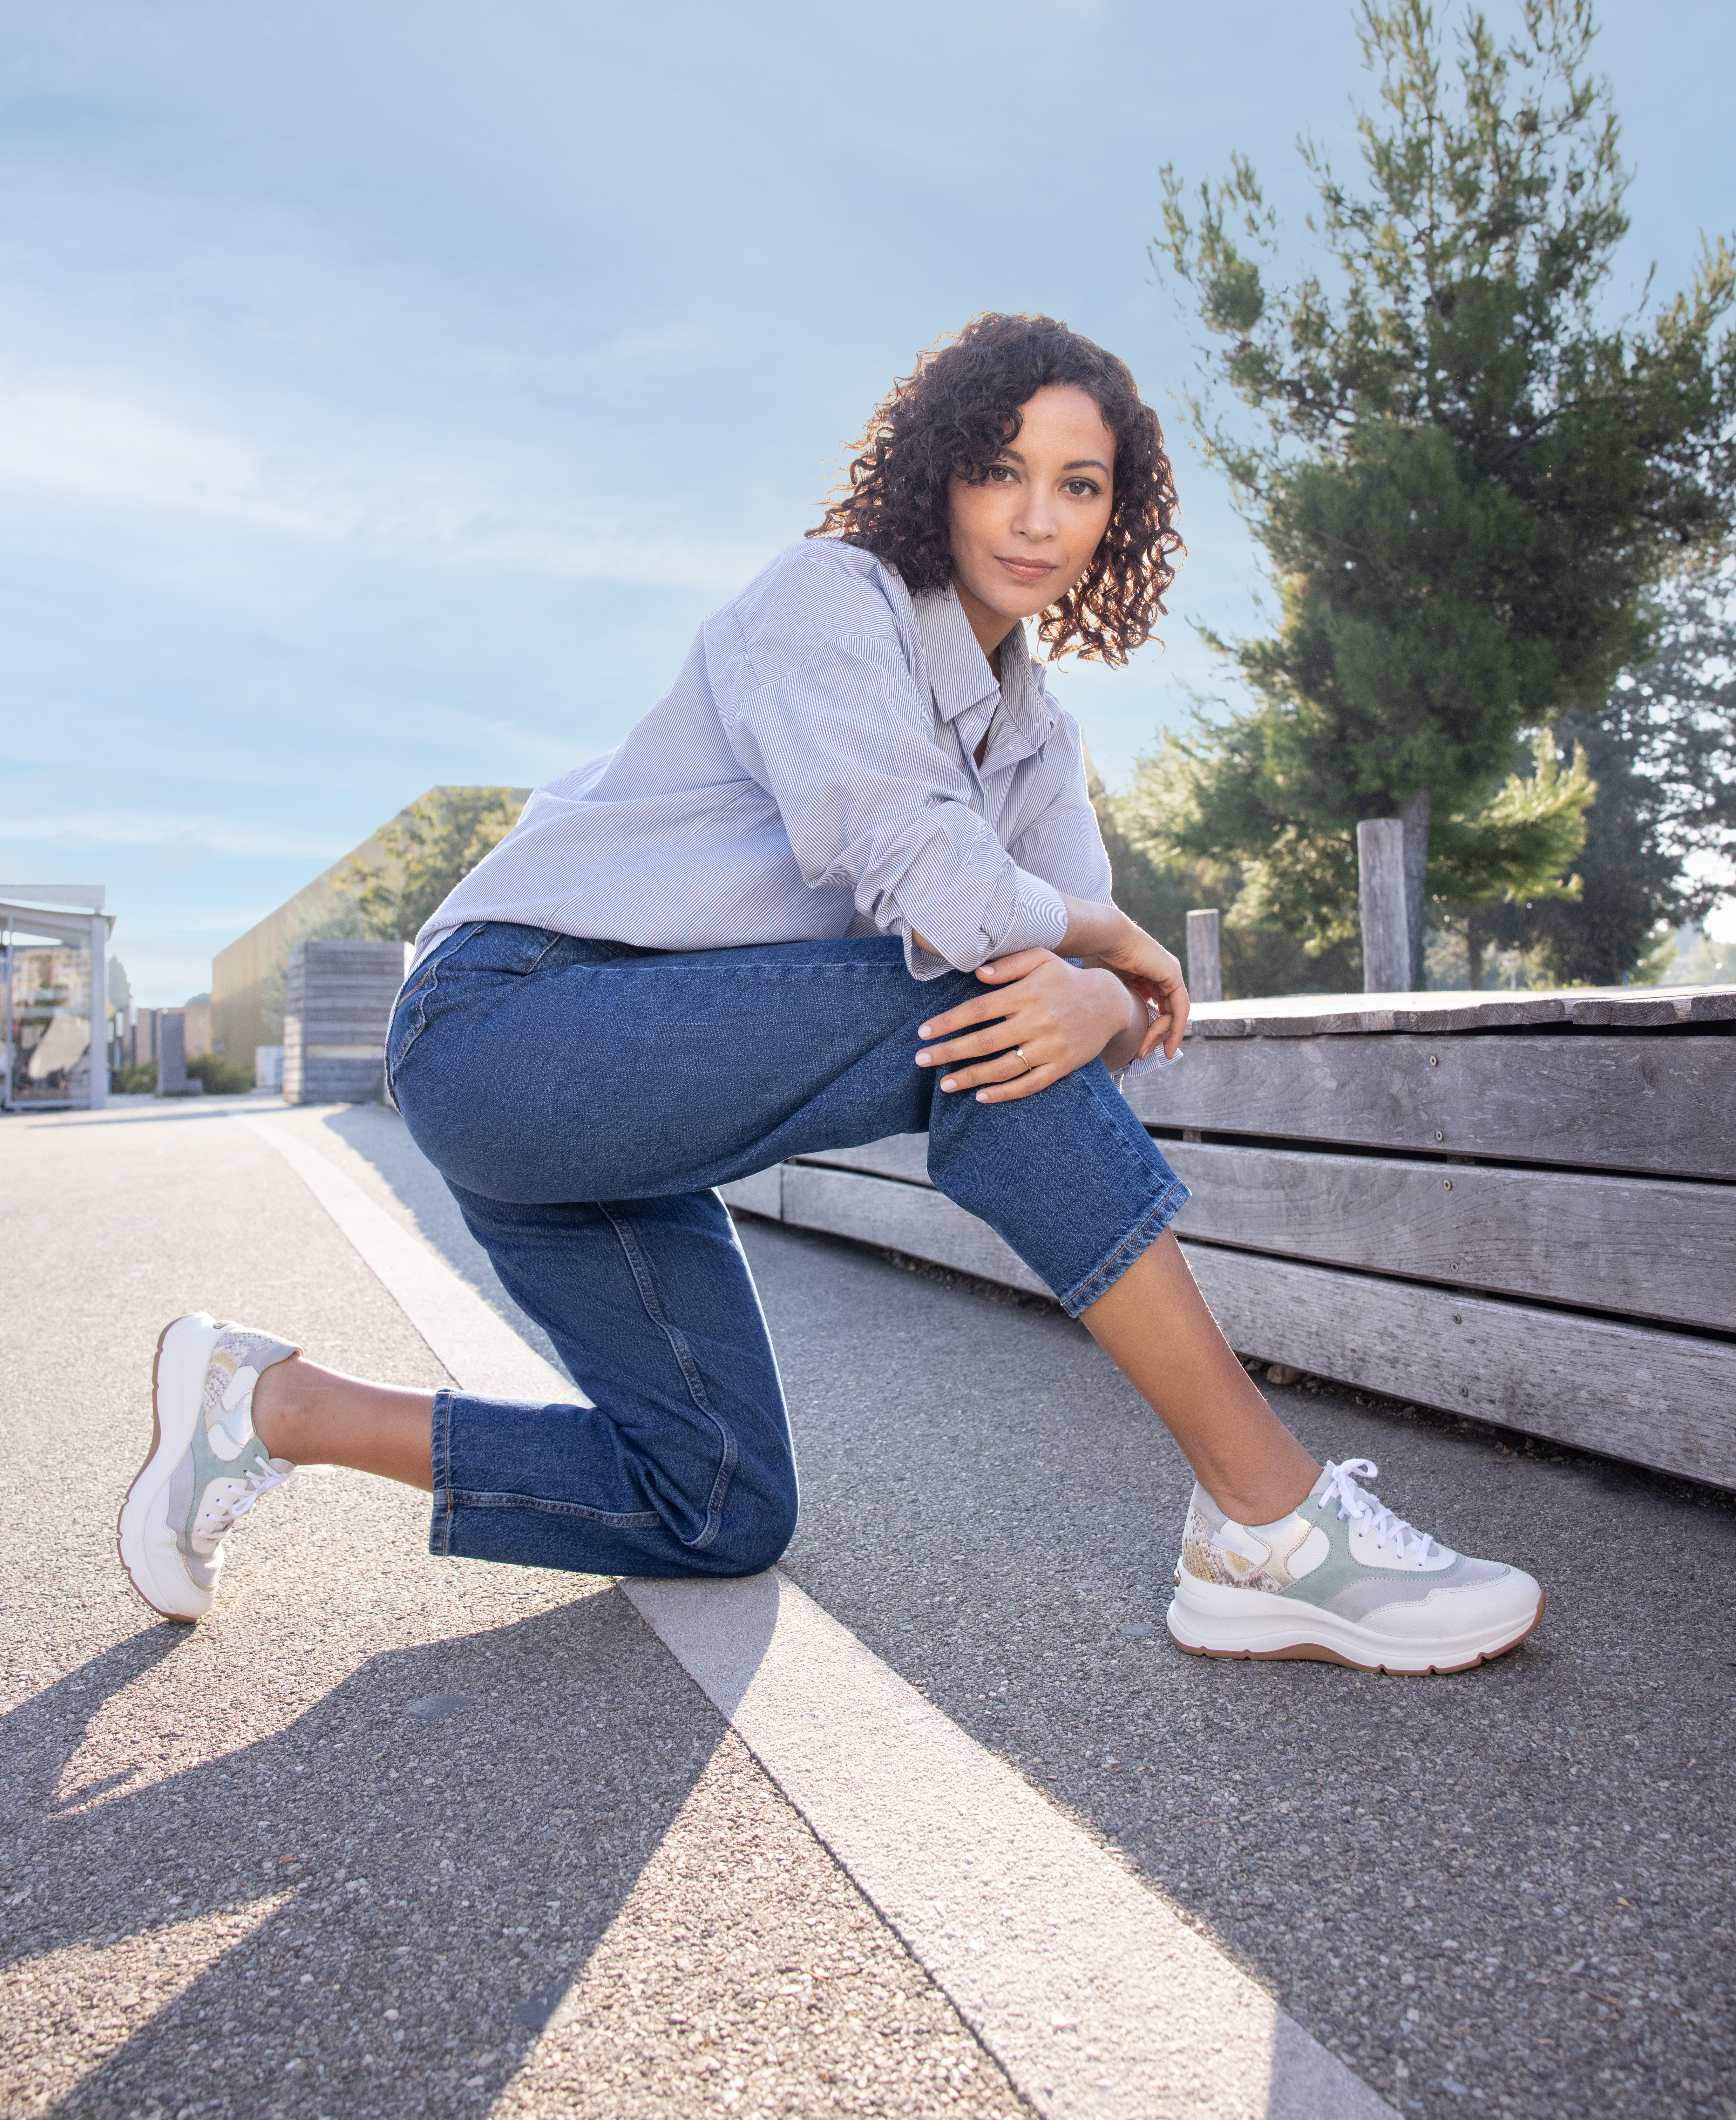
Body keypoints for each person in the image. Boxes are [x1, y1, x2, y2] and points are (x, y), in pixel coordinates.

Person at [119, 314, 1542, 1674]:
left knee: (716, 1504)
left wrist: (1109, 999)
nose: (1036, 517)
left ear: (1118, 515)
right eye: (1000, 469)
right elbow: (944, 888)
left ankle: (270, 1404)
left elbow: (1071, 1002)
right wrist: (1109, 944)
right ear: (937, 475)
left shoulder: (1037, 740)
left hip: (633, 1112)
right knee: (969, 1012)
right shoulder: (827, 600)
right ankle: (1266, 1518)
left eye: (1079, 484)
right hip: (508, 1024)